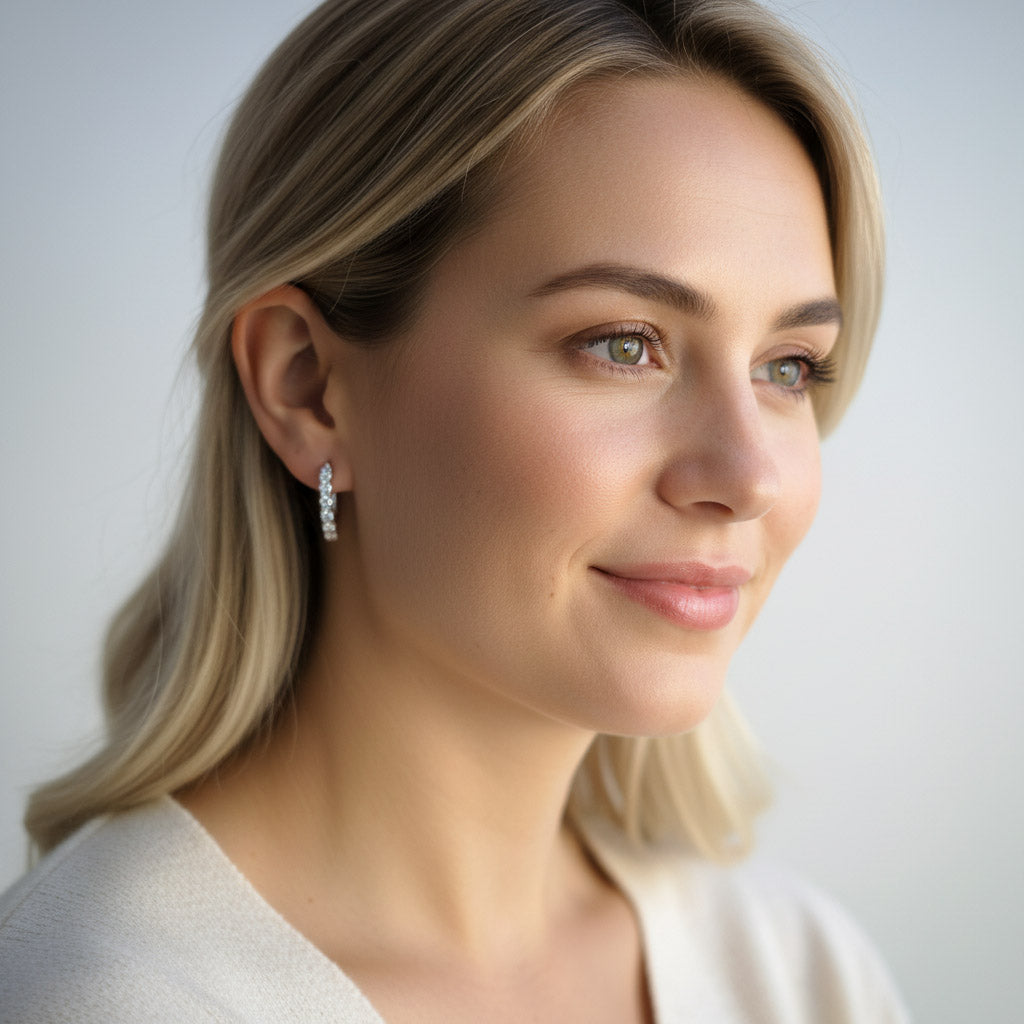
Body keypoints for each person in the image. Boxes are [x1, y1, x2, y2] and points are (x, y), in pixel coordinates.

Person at [0, 0, 907, 1020]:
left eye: (788, 367)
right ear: (307, 387)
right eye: (622, 342)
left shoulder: (799, 975)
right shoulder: (90, 999)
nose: (747, 477)